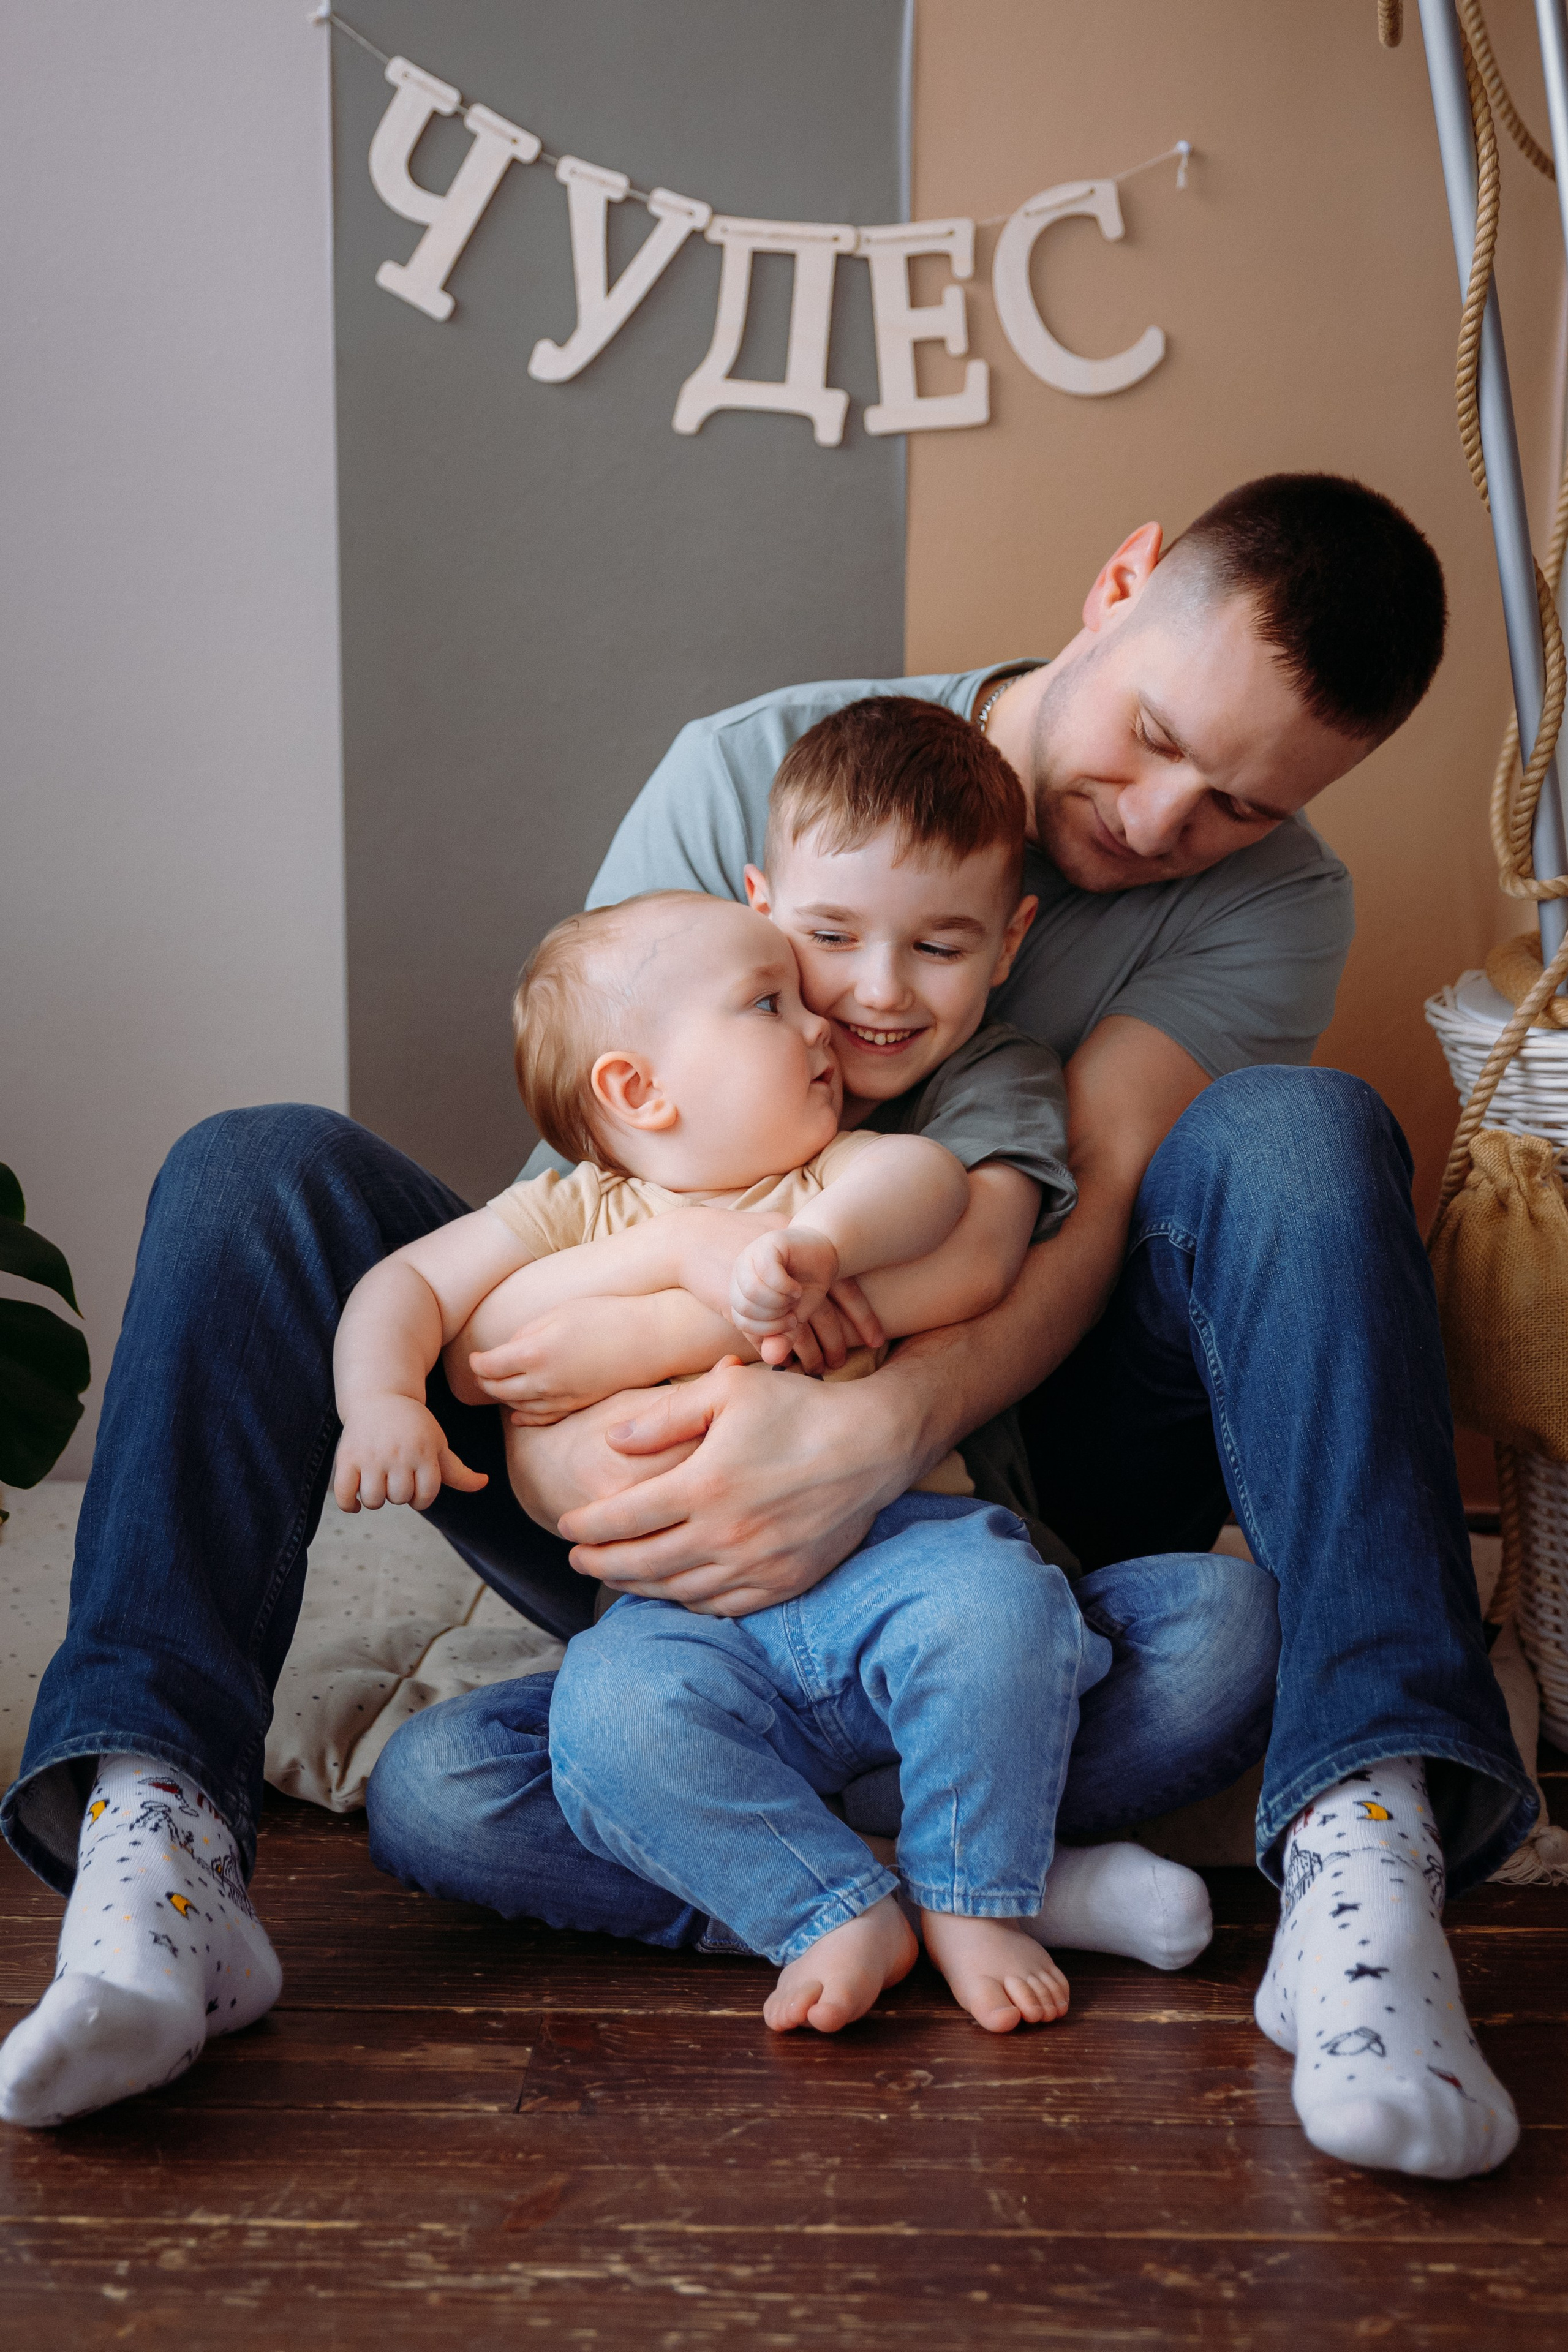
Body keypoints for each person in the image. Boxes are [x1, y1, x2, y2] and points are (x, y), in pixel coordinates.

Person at [0, 473, 1534, 2182]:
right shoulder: (751, 763)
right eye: (1157, 736)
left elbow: (1074, 1214)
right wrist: (622, 1416)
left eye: (1240, 805)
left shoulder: (1270, 906)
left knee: (1303, 1137)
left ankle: (1366, 1852)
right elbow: (603, 1155)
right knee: (250, 1174)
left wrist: (870, 1428)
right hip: (645, 1489)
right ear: (1121, 580)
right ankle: (164, 1844)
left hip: (1008, 1501)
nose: (1165, 820)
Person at [334, 875, 1106, 2037]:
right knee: (606, 1721)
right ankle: (831, 1908)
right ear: (637, 1088)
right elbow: (408, 1288)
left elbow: (929, 1181)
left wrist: (813, 1247)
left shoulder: (826, 1178)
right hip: (676, 1616)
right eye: (769, 1003)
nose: (819, 1025)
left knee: (1007, 1611)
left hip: (902, 1555)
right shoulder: (572, 1214)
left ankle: (972, 1892)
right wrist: (384, 1399)